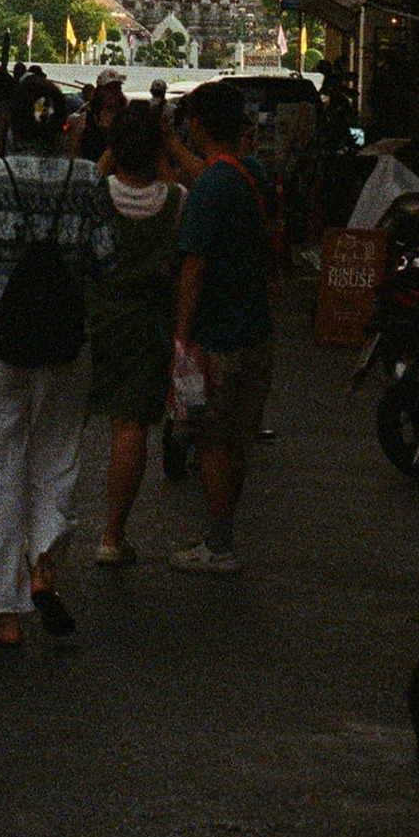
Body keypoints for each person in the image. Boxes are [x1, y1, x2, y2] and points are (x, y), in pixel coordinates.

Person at [0, 89, 117, 646]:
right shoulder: (86, 179)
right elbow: (107, 261)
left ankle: (3, 613)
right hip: (65, 341)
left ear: (10, 126)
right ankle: (43, 563)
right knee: (57, 458)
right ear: (64, 128)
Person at [169, 81, 275, 576]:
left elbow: (193, 268)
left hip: (218, 333)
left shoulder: (210, 189)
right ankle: (222, 532)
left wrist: (181, 337)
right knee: (235, 440)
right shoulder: (251, 173)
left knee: (212, 440)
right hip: (256, 328)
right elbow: (210, 173)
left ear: (197, 125)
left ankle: (219, 542)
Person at [85, 104, 185, 564]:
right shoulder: (177, 201)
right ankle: (112, 535)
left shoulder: (94, 194)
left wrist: (110, 150)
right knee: (131, 428)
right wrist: (165, 147)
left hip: (94, 322)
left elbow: (91, 178)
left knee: (64, 428)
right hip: (148, 328)